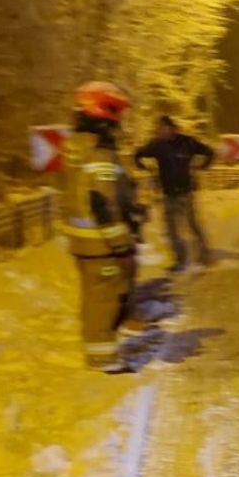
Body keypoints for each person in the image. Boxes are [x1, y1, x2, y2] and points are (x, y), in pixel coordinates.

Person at [61, 81, 148, 372]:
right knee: (104, 300)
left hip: (83, 241)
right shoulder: (100, 150)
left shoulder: (76, 145)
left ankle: (97, 345)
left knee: (93, 296)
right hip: (102, 243)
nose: (120, 120)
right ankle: (103, 358)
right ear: (106, 111)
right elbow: (104, 205)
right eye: (117, 113)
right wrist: (122, 245)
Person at [134, 115, 215, 271]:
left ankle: (204, 255)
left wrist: (202, 167)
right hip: (168, 194)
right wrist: (143, 167)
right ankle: (179, 260)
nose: (158, 131)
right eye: (157, 128)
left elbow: (209, 152)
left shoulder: (188, 143)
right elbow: (138, 154)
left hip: (186, 192)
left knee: (192, 225)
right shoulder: (157, 145)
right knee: (171, 229)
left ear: (171, 129)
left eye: (161, 128)